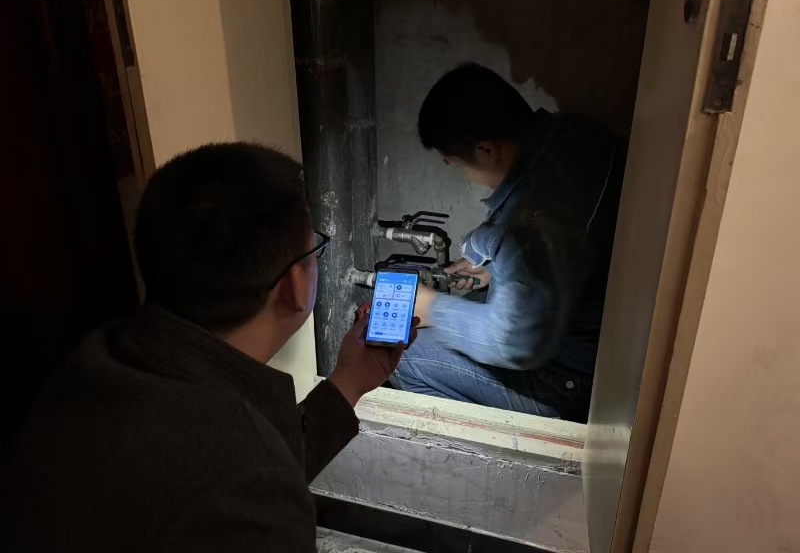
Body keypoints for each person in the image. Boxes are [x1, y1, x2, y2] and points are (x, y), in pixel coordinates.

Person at [3, 143, 416, 552]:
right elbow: (242, 472)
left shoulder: (98, 359)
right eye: (316, 250)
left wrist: (348, 381)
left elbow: (237, 453)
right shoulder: (246, 489)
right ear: (293, 284)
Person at [390, 63, 626, 423]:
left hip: (569, 382)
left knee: (405, 357)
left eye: (458, 165)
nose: (466, 175)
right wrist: (491, 263)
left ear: (486, 150)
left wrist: (432, 308)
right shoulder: (581, 134)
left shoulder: (526, 228)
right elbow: (559, 238)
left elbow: (515, 344)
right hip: (606, 342)